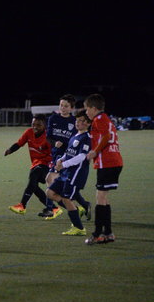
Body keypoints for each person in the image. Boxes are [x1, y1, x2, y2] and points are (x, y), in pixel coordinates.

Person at [84, 93, 123, 245]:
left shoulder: (99, 119)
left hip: (107, 162)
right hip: (115, 161)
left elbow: (106, 137)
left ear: (94, 108)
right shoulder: (106, 119)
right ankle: (108, 233)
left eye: (87, 109)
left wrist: (95, 151)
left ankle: (97, 234)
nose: (86, 112)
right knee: (104, 198)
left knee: (100, 198)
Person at [46, 109, 92, 236]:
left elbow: (82, 156)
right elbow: (69, 153)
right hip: (66, 172)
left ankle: (79, 228)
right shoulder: (75, 136)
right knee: (50, 193)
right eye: (77, 120)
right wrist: (61, 159)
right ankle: (76, 210)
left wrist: (64, 164)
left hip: (76, 174)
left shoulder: (87, 138)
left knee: (66, 198)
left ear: (88, 124)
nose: (78, 123)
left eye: (81, 121)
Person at [4, 115, 61, 218]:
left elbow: (55, 152)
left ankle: (22, 205)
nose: (35, 127)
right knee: (33, 186)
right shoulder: (29, 132)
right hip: (36, 163)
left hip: (47, 164)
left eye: (39, 125)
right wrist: (10, 150)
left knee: (34, 177)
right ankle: (55, 208)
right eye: (33, 124)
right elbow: (19, 143)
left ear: (45, 126)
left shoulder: (48, 137)